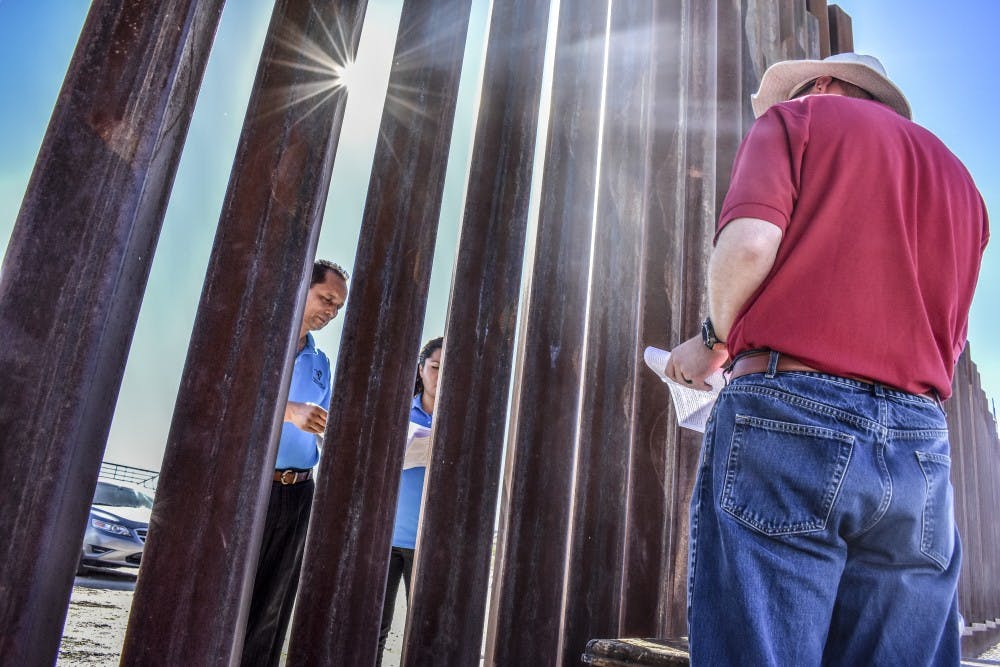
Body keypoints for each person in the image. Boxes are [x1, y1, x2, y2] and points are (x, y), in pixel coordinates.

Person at [666, 53, 988, 665]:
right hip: (919, 438)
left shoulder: (800, 119)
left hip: (790, 413)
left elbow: (751, 242)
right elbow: (953, 336)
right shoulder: (964, 188)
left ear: (822, 84)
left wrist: (712, 342)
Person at [241, 260, 349, 667]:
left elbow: (316, 419)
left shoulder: (321, 361)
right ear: (302, 287)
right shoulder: (263, 338)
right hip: (256, 487)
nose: (332, 311)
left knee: (275, 601)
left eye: (338, 306)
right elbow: (238, 397)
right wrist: (291, 412)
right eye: (326, 299)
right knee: (237, 593)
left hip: (300, 490)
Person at [376, 336, 443, 667]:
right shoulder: (397, 411)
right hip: (386, 539)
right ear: (421, 369)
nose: (440, 376)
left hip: (429, 545)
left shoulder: (460, 421)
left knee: (425, 635)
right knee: (374, 630)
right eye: (435, 367)